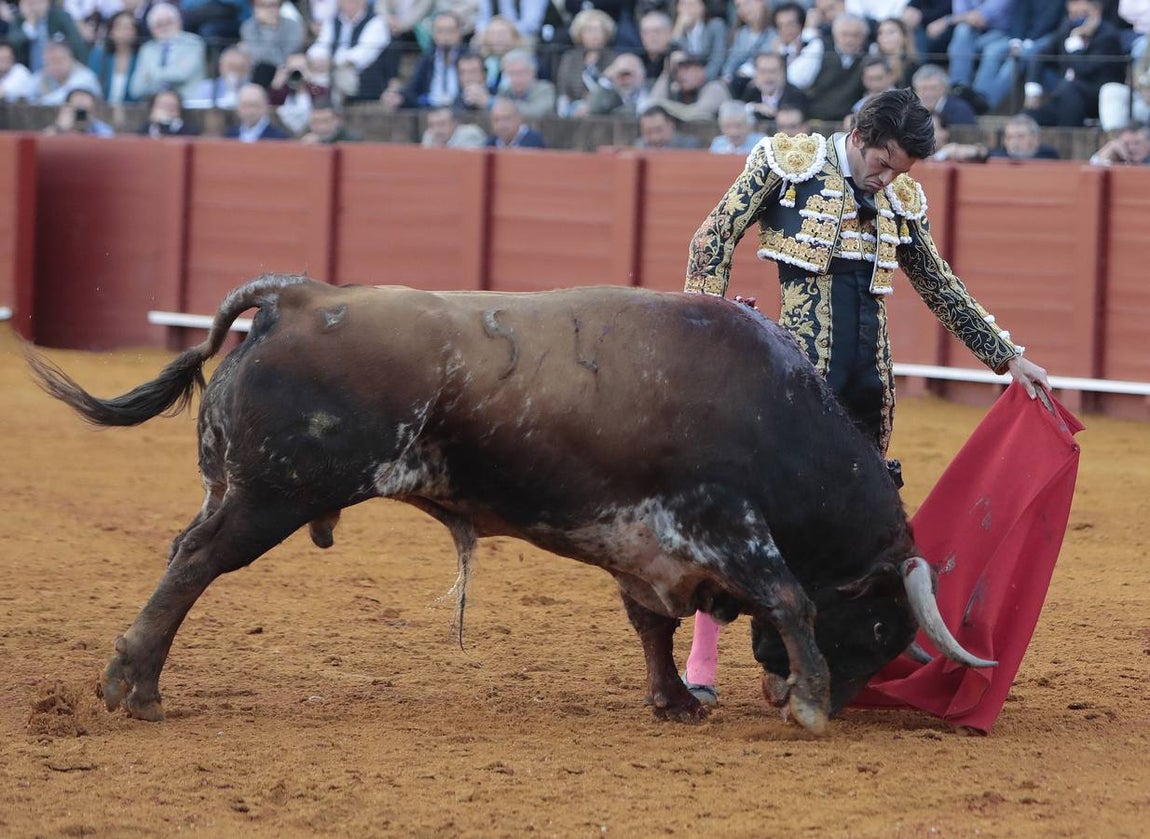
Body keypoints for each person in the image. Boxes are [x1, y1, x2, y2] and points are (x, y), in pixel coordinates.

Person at [679, 88, 1050, 703]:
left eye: (902, 169)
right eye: (884, 163)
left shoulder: (901, 196)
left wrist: (1008, 357)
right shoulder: (785, 162)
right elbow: (712, 240)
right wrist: (712, 325)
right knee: (757, 513)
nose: (890, 179)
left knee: (854, 526)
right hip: (797, 380)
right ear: (859, 137)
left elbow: (937, 283)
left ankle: (824, 657)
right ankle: (703, 659)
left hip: (870, 386)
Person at [1023, 0, 1127, 128]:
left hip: (1093, 99)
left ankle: (1068, 140)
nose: (1077, 19)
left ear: (1096, 12)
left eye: (1083, 14)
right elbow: (1041, 55)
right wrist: (1033, 90)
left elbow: (1084, 70)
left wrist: (1074, 46)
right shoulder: (1067, 27)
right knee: (1028, 116)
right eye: (1073, 14)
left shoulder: (1108, 36)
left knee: (1069, 89)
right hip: (1064, 96)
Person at [306, 0, 392, 101]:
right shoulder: (332, 21)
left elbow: (362, 55)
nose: (348, 4)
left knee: (337, 77)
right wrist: (317, 59)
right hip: (328, 70)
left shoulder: (376, 22)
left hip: (361, 76)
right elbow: (321, 45)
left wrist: (333, 62)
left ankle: (330, 111)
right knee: (302, 72)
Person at [792, 12, 870, 122]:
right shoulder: (819, 47)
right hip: (816, 121)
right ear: (835, 34)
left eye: (856, 35)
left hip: (850, 124)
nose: (850, 40)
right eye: (845, 34)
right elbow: (796, 78)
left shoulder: (869, 53)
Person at [381, 11, 467, 109]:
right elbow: (413, 88)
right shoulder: (427, 59)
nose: (445, 36)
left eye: (450, 30)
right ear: (434, 34)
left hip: (459, 111)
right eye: (440, 31)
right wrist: (398, 96)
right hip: (429, 111)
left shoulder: (469, 58)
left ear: (459, 33)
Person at [128, 4, 206, 101]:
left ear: (179, 22)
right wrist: (170, 72)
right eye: (159, 24)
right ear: (151, 29)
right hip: (155, 107)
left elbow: (181, 75)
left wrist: (151, 75)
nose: (164, 27)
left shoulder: (193, 43)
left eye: (169, 22)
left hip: (189, 105)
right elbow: (136, 89)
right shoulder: (147, 49)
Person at [553, 8, 616, 116]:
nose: (595, 36)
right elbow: (563, 90)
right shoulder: (570, 58)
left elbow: (614, 91)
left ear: (606, 34)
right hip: (573, 109)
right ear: (580, 34)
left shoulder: (614, 59)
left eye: (599, 30)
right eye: (589, 30)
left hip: (605, 111)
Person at [7, 0, 90, 72]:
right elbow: (12, 46)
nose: (33, 5)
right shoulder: (19, 20)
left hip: (61, 69)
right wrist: (30, 25)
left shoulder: (61, 16)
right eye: (29, 2)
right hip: (28, 72)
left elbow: (77, 44)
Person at [240, 0, 306, 86]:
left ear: (280, 6)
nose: (268, 9)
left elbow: (288, 55)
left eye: (273, 5)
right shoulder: (248, 27)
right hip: (259, 72)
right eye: (262, 5)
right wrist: (268, 27)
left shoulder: (294, 26)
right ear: (254, 7)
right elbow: (259, 56)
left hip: (287, 72)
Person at [736, 51, 809, 126]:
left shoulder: (796, 95)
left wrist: (774, 112)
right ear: (756, 73)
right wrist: (755, 107)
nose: (768, 77)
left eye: (773, 71)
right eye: (763, 71)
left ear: (783, 72)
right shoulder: (751, 92)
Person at [86, 10, 141, 105]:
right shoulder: (98, 56)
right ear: (111, 31)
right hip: (102, 111)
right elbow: (91, 86)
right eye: (119, 26)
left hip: (132, 113)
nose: (124, 31)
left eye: (129, 27)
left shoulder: (141, 59)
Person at [25, 40, 101, 104]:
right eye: (49, 62)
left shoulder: (85, 77)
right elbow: (25, 94)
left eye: (58, 60)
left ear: (70, 58)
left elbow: (63, 97)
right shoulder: (41, 76)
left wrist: (38, 101)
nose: (54, 66)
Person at [669, 0, 727, 82]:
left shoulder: (715, 26)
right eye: (683, 4)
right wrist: (678, 29)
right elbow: (671, 59)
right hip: (683, 82)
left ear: (702, 7)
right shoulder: (677, 31)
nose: (687, 8)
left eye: (692, 4)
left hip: (709, 79)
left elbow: (718, 59)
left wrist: (701, 78)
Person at [184, 44, 251, 108]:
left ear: (247, 69)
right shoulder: (207, 87)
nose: (234, 72)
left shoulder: (253, 91)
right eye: (231, 67)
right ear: (221, 67)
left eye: (239, 68)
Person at [496, 47, 556, 119]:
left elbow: (536, 112)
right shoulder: (505, 92)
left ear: (532, 73)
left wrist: (500, 105)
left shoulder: (545, 89)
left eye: (520, 73)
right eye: (511, 73)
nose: (516, 78)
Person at [912, 62, 977, 125]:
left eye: (933, 88)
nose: (928, 94)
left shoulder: (961, 110)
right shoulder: (910, 112)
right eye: (924, 89)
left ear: (944, 89)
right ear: (916, 92)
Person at [586, 51, 649, 116]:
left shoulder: (651, 92)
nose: (624, 80)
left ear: (641, 76)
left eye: (628, 74)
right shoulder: (610, 97)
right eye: (619, 76)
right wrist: (605, 79)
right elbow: (594, 109)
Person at [225, 82, 290, 140]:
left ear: (265, 107)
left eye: (254, 105)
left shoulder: (278, 137)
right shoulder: (229, 135)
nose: (250, 111)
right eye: (245, 105)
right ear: (238, 108)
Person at [42, 86, 114, 134]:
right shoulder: (57, 129)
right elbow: (43, 144)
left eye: (84, 111)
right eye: (77, 111)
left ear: (94, 112)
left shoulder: (101, 130)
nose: (81, 115)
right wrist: (59, 127)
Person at [988, 112, 1060, 159]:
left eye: (1020, 137)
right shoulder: (997, 157)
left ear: (1035, 139)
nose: (1014, 142)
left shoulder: (1047, 157)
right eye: (1009, 137)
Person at [633, 101, 701, 147]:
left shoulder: (689, 146)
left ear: (670, 124)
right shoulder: (639, 147)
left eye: (658, 130)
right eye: (648, 132)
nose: (655, 137)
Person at [421, 103, 488, 145]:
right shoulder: (429, 135)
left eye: (442, 124)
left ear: (455, 124)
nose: (436, 130)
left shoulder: (470, 134)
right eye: (431, 125)